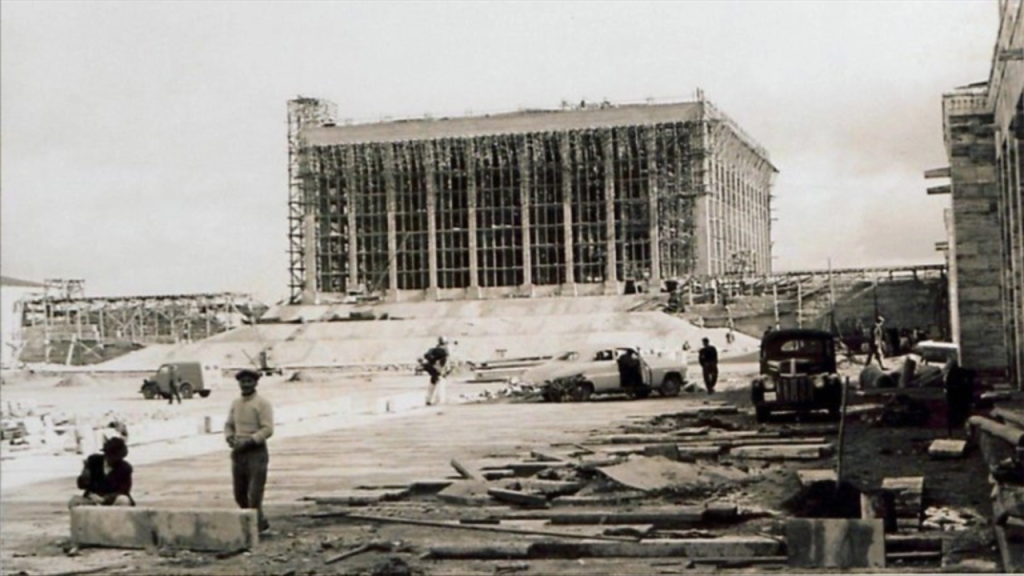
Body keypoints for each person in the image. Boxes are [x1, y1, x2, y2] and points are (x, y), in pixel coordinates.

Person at [224, 368, 274, 533]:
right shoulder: (235, 403)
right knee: (239, 494)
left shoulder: (263, 403)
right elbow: (229, 424)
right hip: (238, 453)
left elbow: (268, 429)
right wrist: (230, 437)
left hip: (256, 452)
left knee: (255, 494)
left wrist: (250, 441)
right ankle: (258, 522)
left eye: (249, 381)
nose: (245, 385)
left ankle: (252, 529)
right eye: (242, 382)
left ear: (255, 383)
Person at [68, 436, 134, 509]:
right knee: (73, 502)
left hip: (112, 501)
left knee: (123, 500)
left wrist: (104, 499)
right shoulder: (94, 461)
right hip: (93, 499)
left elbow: (123, 490)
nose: (113, 459)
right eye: (111, 455)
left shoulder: (125, 468)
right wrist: (85, 474)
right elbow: (81, 485)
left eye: (117, 457)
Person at [943, 358, 974, 438]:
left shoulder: (954, 370)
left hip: (956, 391)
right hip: (958, 391)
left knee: (956, 411)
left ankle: (957, 432)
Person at [421, 336, 450, 406]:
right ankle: (439, 400)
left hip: (433, 368)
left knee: (432, 382)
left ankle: (428, 399)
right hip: (439, 369)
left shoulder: (433, 349)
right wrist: (441, 368)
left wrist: (433, 362)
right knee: (440, 383)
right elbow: (444, 361)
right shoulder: (445, 351)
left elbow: (426, 355)